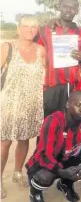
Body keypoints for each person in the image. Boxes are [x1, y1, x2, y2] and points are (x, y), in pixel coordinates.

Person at [25, 91, 81, 202]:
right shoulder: (53, 121)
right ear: (67, 104)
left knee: (79, 165)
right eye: (78, 105)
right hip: (44, 163)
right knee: (45, 177)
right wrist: (62, 172)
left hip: (69, 158)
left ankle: (65, 184)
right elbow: (45, 155)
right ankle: (35, 193)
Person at [0, 15, 46, 199]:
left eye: (33, 27)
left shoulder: (40, 50)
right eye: (26, 26)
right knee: (4, 142)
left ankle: (17, 172)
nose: (30, 30)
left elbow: (47, 75)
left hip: (31, 104)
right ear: (18, 29)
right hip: (9, 104)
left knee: (25, 139)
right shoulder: (7, 48)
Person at [36, 0, 81, 118]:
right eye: (65, 6)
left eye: (72, 8)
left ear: (77, 11)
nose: (68, 10)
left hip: (73, 86)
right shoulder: (44, 30)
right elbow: (36, 54)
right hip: (51, 86)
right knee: (48, 125)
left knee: (69, 125)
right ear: (60, 7)